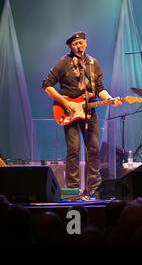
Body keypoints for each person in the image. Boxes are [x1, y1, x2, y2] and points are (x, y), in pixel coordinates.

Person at [42, 31, 121, 200]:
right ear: (71, 46)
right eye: (75, 44)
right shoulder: (63, 63)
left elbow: (99, 88)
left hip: (89, 112)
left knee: (93, 149)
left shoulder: (93, 64)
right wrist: (65, 102)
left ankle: (94, 187)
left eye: (81, 43)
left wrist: (110, 99)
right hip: (69, 111)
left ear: (85, 43)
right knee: (74, 150)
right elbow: (46, 85)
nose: (79, 46)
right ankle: (73, 189)